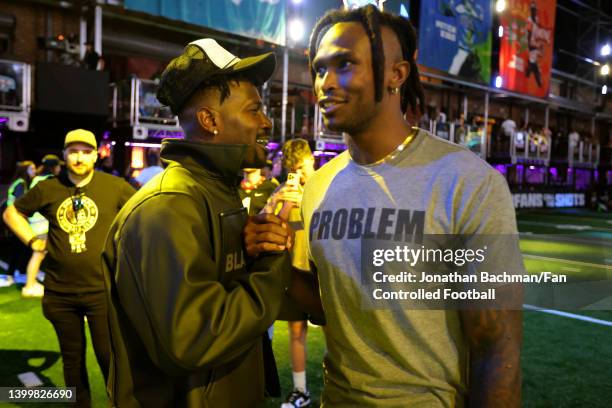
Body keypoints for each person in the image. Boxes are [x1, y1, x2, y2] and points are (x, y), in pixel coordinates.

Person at [284, 5, 523, 406]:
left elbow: (496, 347)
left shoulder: (468, 182)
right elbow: (323, 304)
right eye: (319, 68)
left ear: (397, 74)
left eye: (344, 64)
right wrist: (258, 255)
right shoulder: (319, 185)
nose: (325, 82)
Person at [101, 38, 293, 407]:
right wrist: (269, 265)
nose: (266, 121)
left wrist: (254, 250)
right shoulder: (169, 206)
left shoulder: (212, 190)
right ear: (210, 121)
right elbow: (193, 340)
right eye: (254, 109)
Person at [3, 129, 135, 407]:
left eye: (86, 151)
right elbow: (11, 212)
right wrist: (32, 240)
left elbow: (144, 211)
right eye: (73, 151)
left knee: (109, 357)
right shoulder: (49, 187)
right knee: (72, 360)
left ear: (95, 154)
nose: (79, 157)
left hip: (101, 291)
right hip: (60, 293)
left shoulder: (114, 186)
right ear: (64, 154)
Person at [261, 138, 316, 408]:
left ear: (311, 160)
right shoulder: (282, 192)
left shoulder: (324, 186)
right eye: (295, 168)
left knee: (338, 334)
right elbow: (268, 226)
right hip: (295, 271)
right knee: (296, 332)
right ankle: (301, 391)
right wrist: (278, 202)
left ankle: (343, 387)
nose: (301, 173)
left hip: (320, 272)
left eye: (302, 166)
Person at [21, 154, 63, 298]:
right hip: (43, 225)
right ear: (53, 167)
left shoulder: (37, 179)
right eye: (58, 166)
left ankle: (32, 284)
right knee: (38, 255)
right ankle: (29, 286)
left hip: (36, 224)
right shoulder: (48, 182)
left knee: (41, 255)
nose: (59, 168)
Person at [1, 160, 36, 287]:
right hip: (16, 220)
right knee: (19, 248)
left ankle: (19, 273)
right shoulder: (21, 183)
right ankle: (12, 275)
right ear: (25, 170)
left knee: (21, 247)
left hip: (16, 219)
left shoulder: (23, 183)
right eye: (32, 168)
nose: (35, 170)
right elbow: (20, 203)